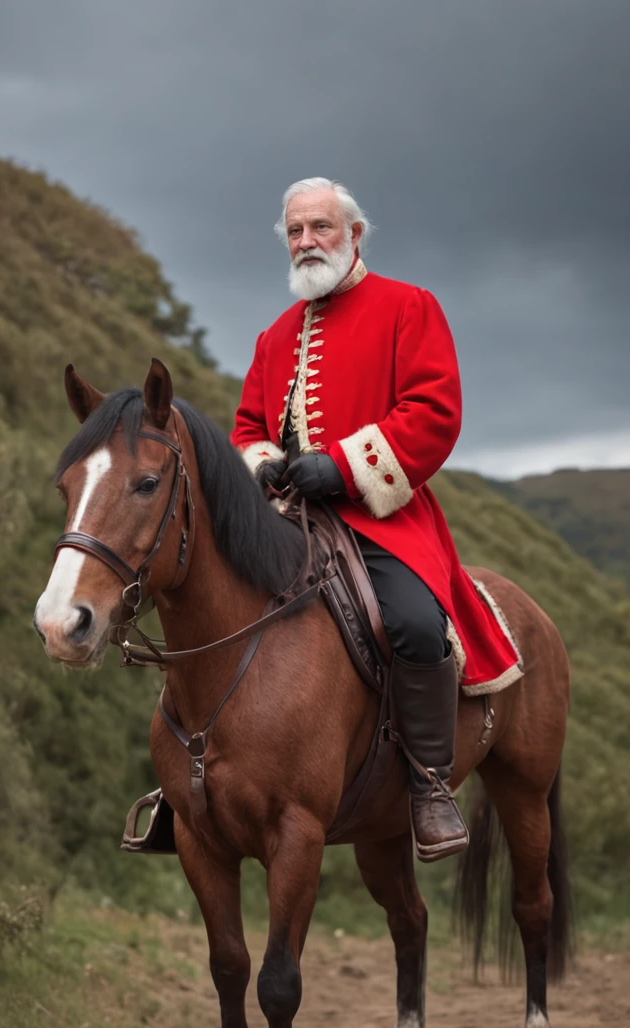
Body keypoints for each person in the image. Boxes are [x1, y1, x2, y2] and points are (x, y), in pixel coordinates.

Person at [231, 177, 522, 862]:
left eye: (320, 228)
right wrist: (265, 462)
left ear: (353, 234)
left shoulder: (408, 307)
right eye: (296, 231)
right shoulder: (275, 337)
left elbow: (434, 411)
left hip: (381, 518)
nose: (307, 241)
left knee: (418, 625)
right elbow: (247, 423)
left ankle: (429, 787)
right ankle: (197, 782)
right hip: (289, 520)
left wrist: (343, 467)